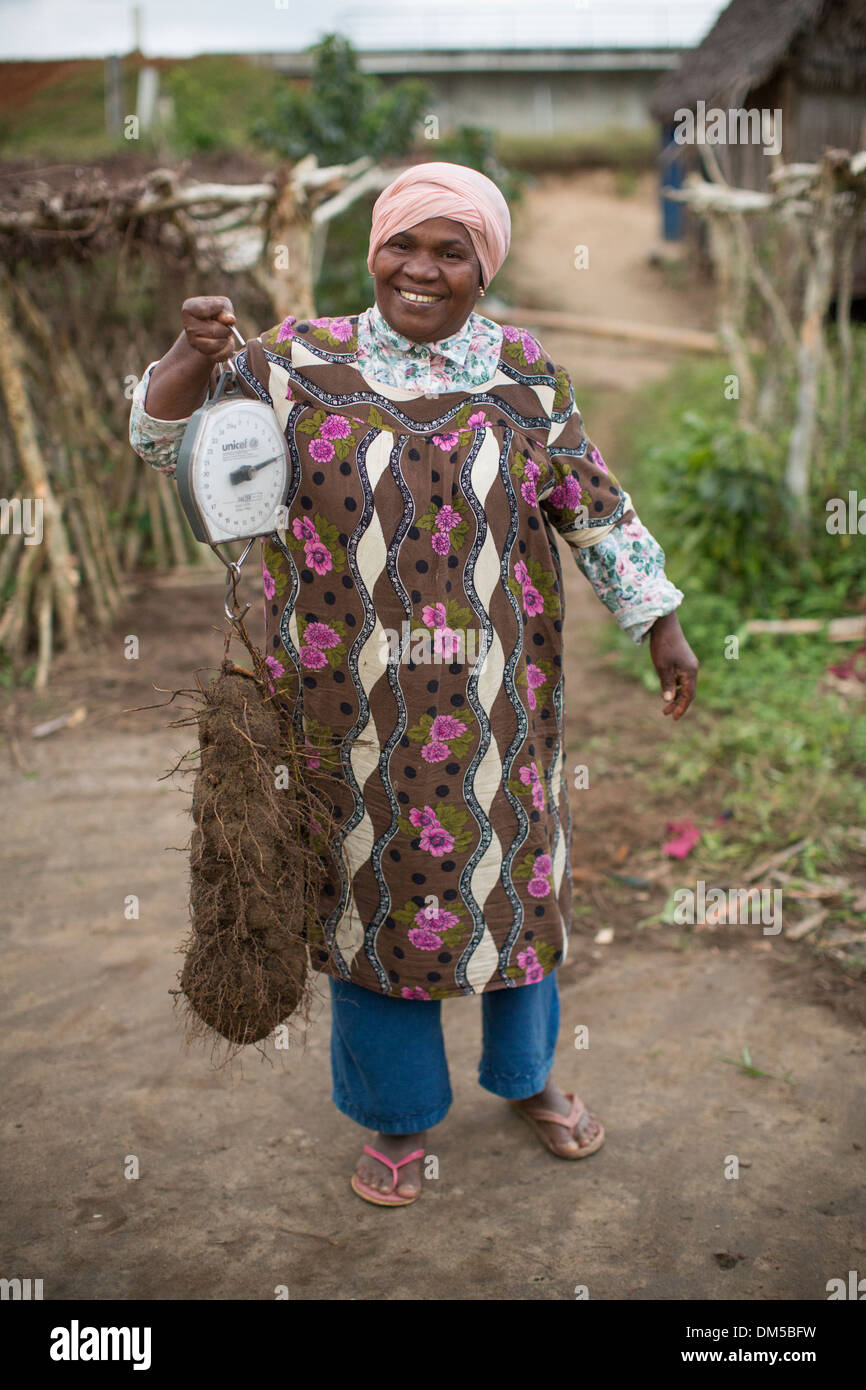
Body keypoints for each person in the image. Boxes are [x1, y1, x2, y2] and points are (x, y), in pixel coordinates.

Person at [130, 161, 698, 1207]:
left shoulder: (522, 376)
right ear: (373, 247)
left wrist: (657, 622)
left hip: (500, 707)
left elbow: (596, 508)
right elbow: (163, 440)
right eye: (404, 243)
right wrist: (182, 358)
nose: (421, 269)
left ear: (485, 267)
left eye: (453, 251)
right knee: (368, 897)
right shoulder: (298, 361)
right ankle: (396, 1118)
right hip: (343, 708)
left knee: (513, 883)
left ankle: (525, 1079)